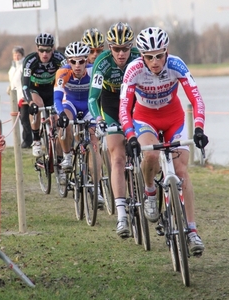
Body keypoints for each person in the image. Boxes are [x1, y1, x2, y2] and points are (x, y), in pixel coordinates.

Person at [119, 27, 209, 256]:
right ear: (142, 56)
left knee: (181, 171)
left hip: (173, 119)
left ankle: (191, 230)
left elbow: (196, 99)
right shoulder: (134, 70)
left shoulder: (176, 64)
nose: (155, 61)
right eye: (149, 57)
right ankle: (150, 190)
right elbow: (123, 109)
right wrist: (130, 136)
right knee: (150, 155)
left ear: (166, 52)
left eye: (159, 55)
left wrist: (198, 128)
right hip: (145, 118)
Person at [88, 22, 140, 237]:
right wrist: (99, 118)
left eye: (125, 48)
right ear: (109, 47)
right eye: (116, 49)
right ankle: (121, 217)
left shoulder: (139, 57)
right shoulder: (102, 62)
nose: (121, 53)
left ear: (131, 47)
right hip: (111, 102)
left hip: (136, 101)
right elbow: (93, 97)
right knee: (117, 156)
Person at [54, 41, 104, 205]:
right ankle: (67, 155)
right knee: (64, 122)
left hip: (89, 106)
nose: (77, 65)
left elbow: (101, 95)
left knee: (94, 143)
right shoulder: (63, 72)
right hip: (71, 105)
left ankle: (96, 189)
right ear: (68, 61)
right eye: (73, 61)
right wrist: (60, 114)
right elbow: (57, 97)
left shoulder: (93, 70)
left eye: (81, 61)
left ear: (87, 60)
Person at [22, 33, 66, 157]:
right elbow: (25, 86)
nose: (44, 54)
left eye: (47, 50)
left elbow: (68, 79)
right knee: (37, 105)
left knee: (58, 124)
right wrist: (30, 103)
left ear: (53, 49)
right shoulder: (30, 61)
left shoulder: (59, 58)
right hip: (36, 90)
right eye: (41, 50)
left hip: (53, 90)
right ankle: (36, 140)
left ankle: (60, 158)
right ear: (37, 49)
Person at [8, 46, 33, 148]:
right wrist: (9, 87)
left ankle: (28, 141)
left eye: (18, 54)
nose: (16, 57)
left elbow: (26, 82)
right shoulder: (13, 67)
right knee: (21, 120)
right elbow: (13, 80)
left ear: (22, 55)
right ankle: (24, 140)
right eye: (14, 55)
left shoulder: (24, 66)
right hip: (15, 97)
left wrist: (25, 96)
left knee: (25, 119)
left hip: (24, 97)